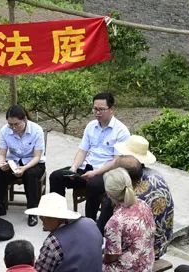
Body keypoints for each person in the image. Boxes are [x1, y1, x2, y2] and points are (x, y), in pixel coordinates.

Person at [49, 92, 130, 220]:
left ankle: (89, 222)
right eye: (95, 109)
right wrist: (74, 168)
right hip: (86, 168)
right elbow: (82, 150)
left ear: (111, 109)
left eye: (101, 109)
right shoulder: (91, 126)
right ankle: (56, 218)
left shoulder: (121, 131)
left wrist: (95, 173)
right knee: (56, 176)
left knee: (93, 185)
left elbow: (116, 161)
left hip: (106, 172)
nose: (97, 112)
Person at [97, 135, 175, 258]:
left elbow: (112, 233)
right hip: (161, 244)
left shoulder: (131, 194)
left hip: (143, 252)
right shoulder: (156, 175)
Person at [27, 193, 104, 272]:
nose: (42, 223)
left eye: (42, 218)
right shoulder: (90, 222)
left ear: (52, 218)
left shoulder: (53, 242)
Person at [0, 104, 46, 226]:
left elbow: (37, 157)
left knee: (30, 174)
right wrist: (1, 164)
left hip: (33, 163)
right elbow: (2, 154)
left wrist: (24, 168)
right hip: (14, 162)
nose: (14, 128)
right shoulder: (5, 130)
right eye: (10, 124)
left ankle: (32, 211)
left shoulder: (36, 130)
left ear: (24, 119)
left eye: (16, 124)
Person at [101, 168, 156, 272]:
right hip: (147, 264)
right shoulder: (143, 204)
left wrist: (100, 258)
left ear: (108, 193)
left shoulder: (114, 222)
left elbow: (111, 257)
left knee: (88, 263)